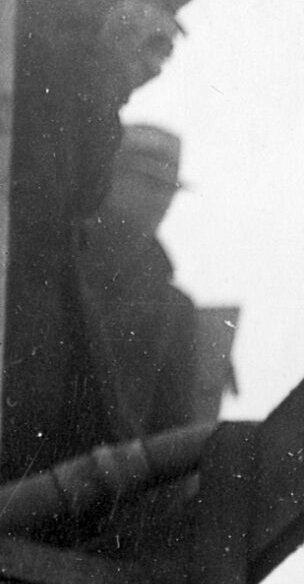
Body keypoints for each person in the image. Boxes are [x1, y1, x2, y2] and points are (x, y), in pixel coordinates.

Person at [4, 0, 206, 484]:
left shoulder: (72, 50)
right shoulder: (21, 13)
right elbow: (42, 194)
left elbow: (83, 191)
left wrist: (106, 76)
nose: (155, 60)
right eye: (154, 27)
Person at [78, 123, 215, 441]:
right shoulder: (56, 268)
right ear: (109, 179)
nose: (161, 200)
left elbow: (172, 432)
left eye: (168, 188)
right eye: (148, 182)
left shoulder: (173, 309)